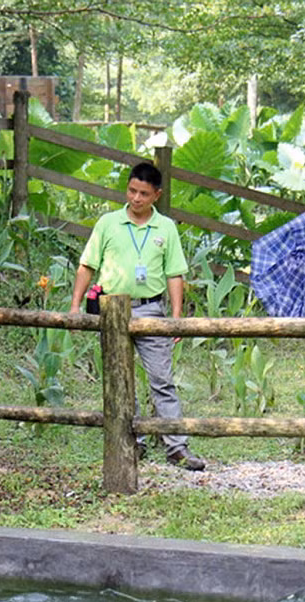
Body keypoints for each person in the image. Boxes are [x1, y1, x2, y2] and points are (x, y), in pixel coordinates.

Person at [69, 161, 205, 471]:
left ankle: (176, 446)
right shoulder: (108, 223)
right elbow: (87, 265)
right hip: (112, 310)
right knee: (120, 379)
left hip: (150, 309)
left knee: (162, 379)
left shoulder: (166, 228)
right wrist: (75, 307)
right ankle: (131, 444)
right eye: (132, 191)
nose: (136, 198)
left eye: (144, 193)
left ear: (157, 194)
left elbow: (174, 274)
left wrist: (175, 314)